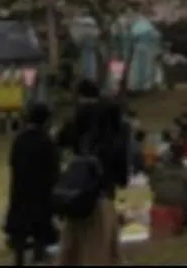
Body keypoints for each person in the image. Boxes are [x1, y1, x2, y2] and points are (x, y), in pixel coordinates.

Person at [56, 95, 127, 266]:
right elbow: (122, 178)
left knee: (72, 254)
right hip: (100, 204)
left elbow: (60, 139)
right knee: (99, 255)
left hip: (76, 202)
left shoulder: (84, 140)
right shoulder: (115, 142)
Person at [5, 103, 60, 267]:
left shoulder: (19, 139)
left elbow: (12, 162)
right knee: (40, 227)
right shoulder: (47, 141)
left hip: (20, 188)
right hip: (41, 191)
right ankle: (38, 256)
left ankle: (19, 259)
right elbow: (53, 168)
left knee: (20, 227)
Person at [147, 143, 187, 240]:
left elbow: (152, 186)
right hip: (178, 207)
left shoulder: (158, 168)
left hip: (160, 206)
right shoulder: (185, 170)